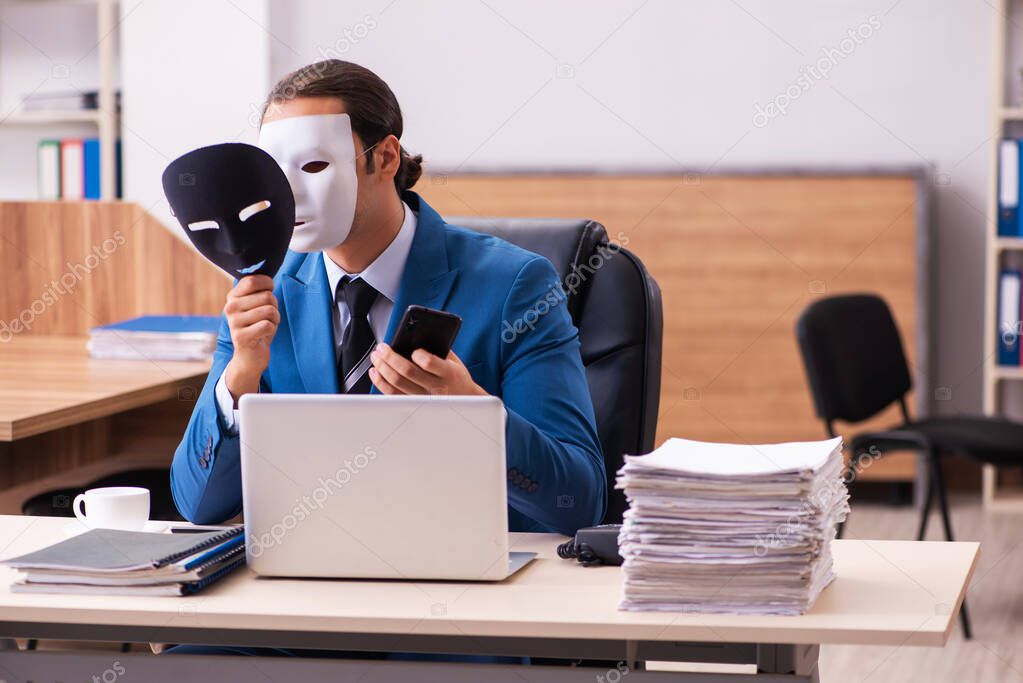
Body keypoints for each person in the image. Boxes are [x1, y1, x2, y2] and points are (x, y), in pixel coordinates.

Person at [170, 60, 605, 536]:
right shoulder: (264, 295)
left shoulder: (516, 286)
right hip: (314, 583)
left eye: (314, 165)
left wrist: (472, 417)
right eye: (277, 172)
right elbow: (199, 505)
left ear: (386, 158)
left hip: (473, 580)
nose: (292, 193)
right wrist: (238, 380)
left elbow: (581, 501)